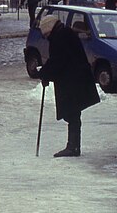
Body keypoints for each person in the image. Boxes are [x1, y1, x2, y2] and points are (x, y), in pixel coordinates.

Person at [35, 15, 100, 157]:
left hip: (73, 81)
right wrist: (46, 73)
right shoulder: (63, 33)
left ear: (49, 29)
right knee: (73, 113)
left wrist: (44, 73)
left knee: (72, 112)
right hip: (75, 79)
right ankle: (73, 146)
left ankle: (73, 147)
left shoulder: (60, 37)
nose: (46, 37)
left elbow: (58, 60)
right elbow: (58, 60)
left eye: (46, 34)